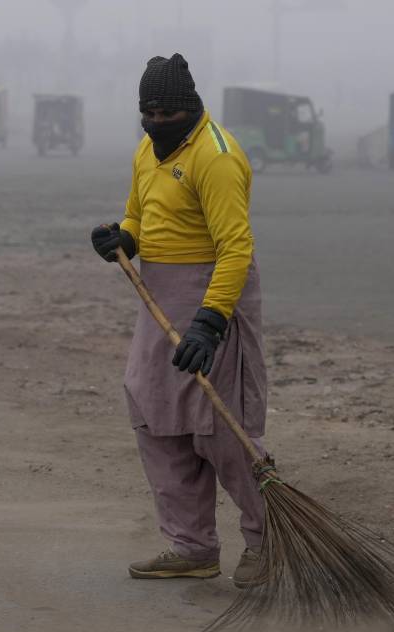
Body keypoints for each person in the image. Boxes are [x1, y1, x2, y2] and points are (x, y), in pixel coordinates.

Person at [90, 53, 267, 588]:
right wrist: (122, 239)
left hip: (213, 292)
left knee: (220, 426)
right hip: (159, 296)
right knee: (154, 412)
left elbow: (236, 248)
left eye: (169, 112)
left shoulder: (216, 155)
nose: (158, 121)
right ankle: (192, 546)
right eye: (149, 111)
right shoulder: (147, 149)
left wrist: (210, 323)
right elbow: (139, 217)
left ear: (191, 108)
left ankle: (266, 540)